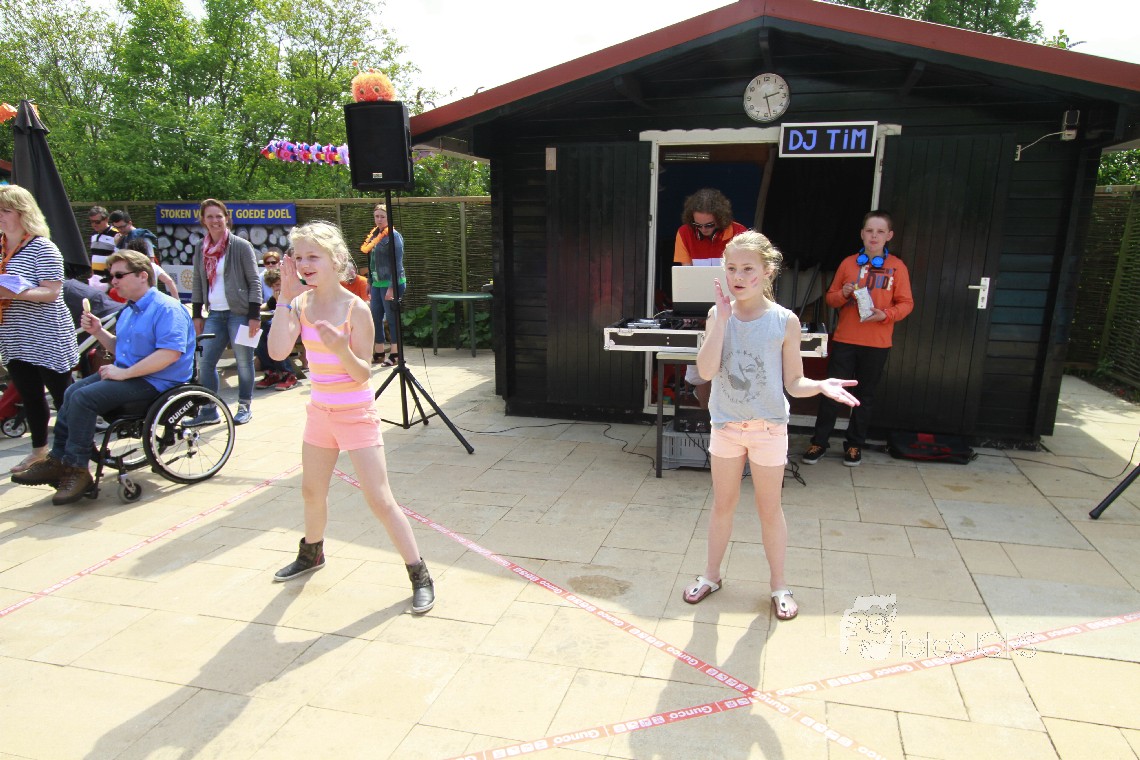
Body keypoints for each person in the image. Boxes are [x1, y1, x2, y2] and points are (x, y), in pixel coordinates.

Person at [681, 231, 859, 621]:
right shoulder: (717, 314)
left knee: (769, 509)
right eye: (731, 268)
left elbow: (794, 381)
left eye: (748, 269)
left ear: (767, 271)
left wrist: (820, 385)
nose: (738, 277)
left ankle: (779, 585)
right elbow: (706, 371)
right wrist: (721, 321)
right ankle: (711, 575)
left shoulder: (784, 320)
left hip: (768, 430)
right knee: (722, 505)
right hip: (726, 427)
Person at [267, 221, 435, 613]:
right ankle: (312, 553)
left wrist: (341, 349)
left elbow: (362, 374)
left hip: (355, 414)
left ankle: (419, 573)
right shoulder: (300, 304)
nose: (304, 264)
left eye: (313, 256)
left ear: (337, 259)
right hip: (319, 414)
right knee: (311, 492)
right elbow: (276, 352)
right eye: (299, 257)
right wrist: (284, 298)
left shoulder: (355, 309)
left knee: (379, 499)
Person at [12, 250, 195, 504]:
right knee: (71, 392)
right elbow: (123, 349)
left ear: (143, 275)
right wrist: (98, 331)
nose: (113, 281)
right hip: (133, 375)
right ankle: (59, 460)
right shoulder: (130, 310)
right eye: (111, 276)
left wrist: (125, 372)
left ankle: (77, 469)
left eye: (119, 275)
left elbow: (170, 354)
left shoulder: (167, 308)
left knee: (84, 398)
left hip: (159, 382)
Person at [802, 210, 913, 467]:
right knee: (832, 393)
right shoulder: (848, 263)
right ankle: (819, 442)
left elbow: (907, 303)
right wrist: (842, 293)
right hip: (845, 340)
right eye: (870, 231)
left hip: (877, 344)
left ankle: (854, 444)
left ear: (889, 236)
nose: (874, 236)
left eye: (880, 231)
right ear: (862, 234)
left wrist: (885, 315)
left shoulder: (897, 267)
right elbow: (830, 299)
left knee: (865, 396)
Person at [0, 185, 80, 475]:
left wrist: (13, 293)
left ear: (23, 213)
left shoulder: (43, 247)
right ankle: (39, 452)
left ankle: (76, 453)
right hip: (13, 333)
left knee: (63, 396)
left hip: (46, 333)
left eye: (5, 210)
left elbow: (52, 292)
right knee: (29, 394)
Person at [188, 198, 262, 426]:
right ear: (203, 220)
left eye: (219, 216)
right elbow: (198, 282)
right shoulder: (200, 248)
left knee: (244, 362)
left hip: (240, 312)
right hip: (215, 314)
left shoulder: (240, 246)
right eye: (209, 216)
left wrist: (254, 316)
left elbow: (254, 281)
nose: (215, 221)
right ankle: (209, 410)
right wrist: (197, 314)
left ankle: (244, 405)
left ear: (226, 218)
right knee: (204, 362)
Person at [674, 188, 748, 407]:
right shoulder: (684, 233)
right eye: (698, 225)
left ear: (721, 220)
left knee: (734, 367)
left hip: (735, 313)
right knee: (701, 369)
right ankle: (705, 416)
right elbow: (687, 278)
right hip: (701, 316)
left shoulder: (740, 234)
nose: (703, 230)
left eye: (709, 225)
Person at [362, 204, 406, 367]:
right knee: (375, 316)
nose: (379, 219)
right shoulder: (374, 234)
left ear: (389, 218)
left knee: (392, 318)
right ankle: (379, 352)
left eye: (382, 216)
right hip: (376, 282)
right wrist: (369, 281)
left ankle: (395, 354)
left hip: (392, 282)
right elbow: (371, 261)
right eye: (376, 216)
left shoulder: (394, 236)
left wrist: (392, 287)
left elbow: (397, 264)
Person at [254, 269, 298, 391]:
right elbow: (267, 306)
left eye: (278, 284)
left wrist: (281, 303)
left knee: (273, 332)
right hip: (282, 326)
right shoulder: (277, 295)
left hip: (297, 327)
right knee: (260, 331)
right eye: (273, 286)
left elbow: (293, 312)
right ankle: (271, 372)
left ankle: (288, 373)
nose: (276, 288)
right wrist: (253, 309)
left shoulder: (294, 293)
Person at [87, 206, 118, 275]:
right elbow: (95, 256)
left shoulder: (116, 234)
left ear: (106, 219)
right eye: (91, 222)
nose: (94, 225)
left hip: (110, 277)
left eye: (97, 222)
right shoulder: (94, 234)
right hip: (96, 277)